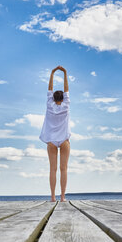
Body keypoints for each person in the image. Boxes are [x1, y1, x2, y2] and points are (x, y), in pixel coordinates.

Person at [39, 66, 71, 202]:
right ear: (63, 98)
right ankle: (62, 197)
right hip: (64, 140)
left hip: (51, 141)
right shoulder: (66, 105)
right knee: (63, 169)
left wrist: (52, 73)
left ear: (53, 98)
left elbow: (49, 89)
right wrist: (64, 73)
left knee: (53, 169)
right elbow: (66, 89)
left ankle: (53, 197)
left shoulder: (49, 105)